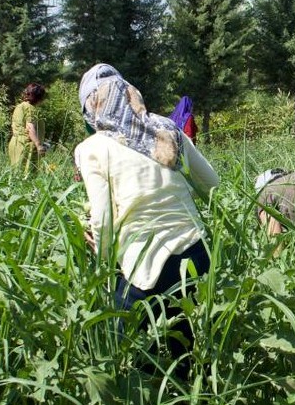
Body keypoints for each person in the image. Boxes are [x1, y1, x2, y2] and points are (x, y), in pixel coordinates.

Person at [74, 63, 220, 381]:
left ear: (91, 109)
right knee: (192, 350)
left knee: (131, 351)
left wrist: (101, 265)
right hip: (198, 256)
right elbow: (211, 183)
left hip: (146, 268)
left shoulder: (92, 148)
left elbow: (102, 218)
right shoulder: (167, 130)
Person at [8, 83, 49, 176]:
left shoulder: (19, 106)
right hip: (26, 145)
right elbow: (30, 127)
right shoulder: (30, 108)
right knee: (27, 177)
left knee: (16, 174)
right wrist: (38, 145)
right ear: (39, 97)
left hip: (15, 143)